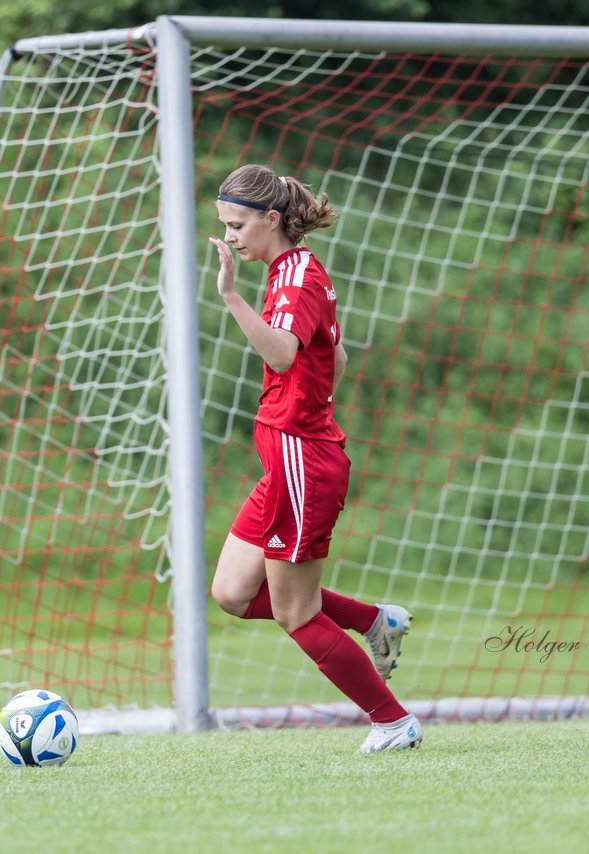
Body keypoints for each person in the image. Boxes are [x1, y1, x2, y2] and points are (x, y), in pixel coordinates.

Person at [207, 164, 421, 752]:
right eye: (225, 226)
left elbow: (280, 355)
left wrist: (230, 296)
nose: (229, 237)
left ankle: (393, 720)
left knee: (294, 613)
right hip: (288, 458)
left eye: (236, 225)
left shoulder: (295, 277)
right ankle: (375, 621)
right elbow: (338, 357)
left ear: (271, 218)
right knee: (231, 591)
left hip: (302, 459)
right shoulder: (291, 271)